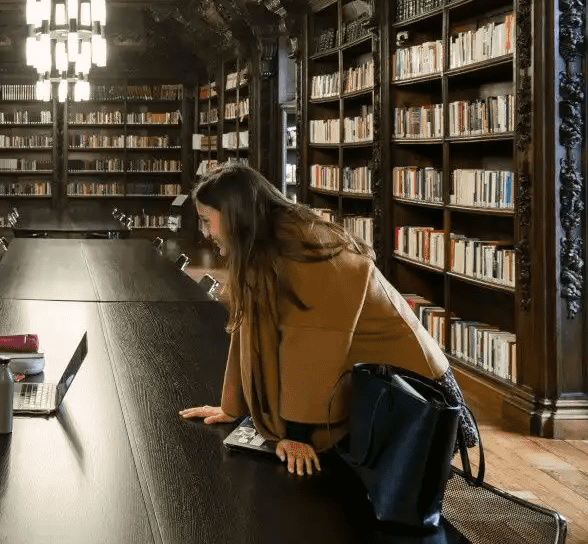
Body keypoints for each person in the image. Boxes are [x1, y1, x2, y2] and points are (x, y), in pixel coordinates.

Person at [179, 162, 474, 477]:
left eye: (207, 221)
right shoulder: (267, 246)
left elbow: (312, 346)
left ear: (236, 216)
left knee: (389, 500)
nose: (206, 233)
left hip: (409, 392)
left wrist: (297, 435)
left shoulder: (308, 249)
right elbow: (249, 327)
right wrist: (233, 407)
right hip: (372, 384)